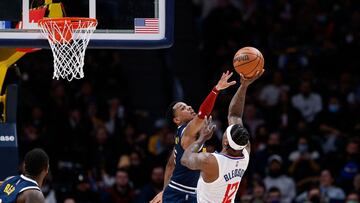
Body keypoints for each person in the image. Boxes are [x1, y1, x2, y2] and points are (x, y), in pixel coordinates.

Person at [150, 71, 236, 203]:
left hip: (182, 192)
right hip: (183, 193)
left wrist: (164, 191)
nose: (189, 107)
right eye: (183, 108)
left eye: (187, 105)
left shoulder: (180, 136)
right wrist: (216, 90)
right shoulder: (188, 131)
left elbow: (170, 165)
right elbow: (202, 114)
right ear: (177, 119)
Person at [181, 70, 264, 203]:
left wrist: (201, 138)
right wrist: (244, 86)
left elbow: (185, 159)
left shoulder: (210, 161)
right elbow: (235, 115)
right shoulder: (245, 153)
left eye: (225, 132)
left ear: (225, 141)